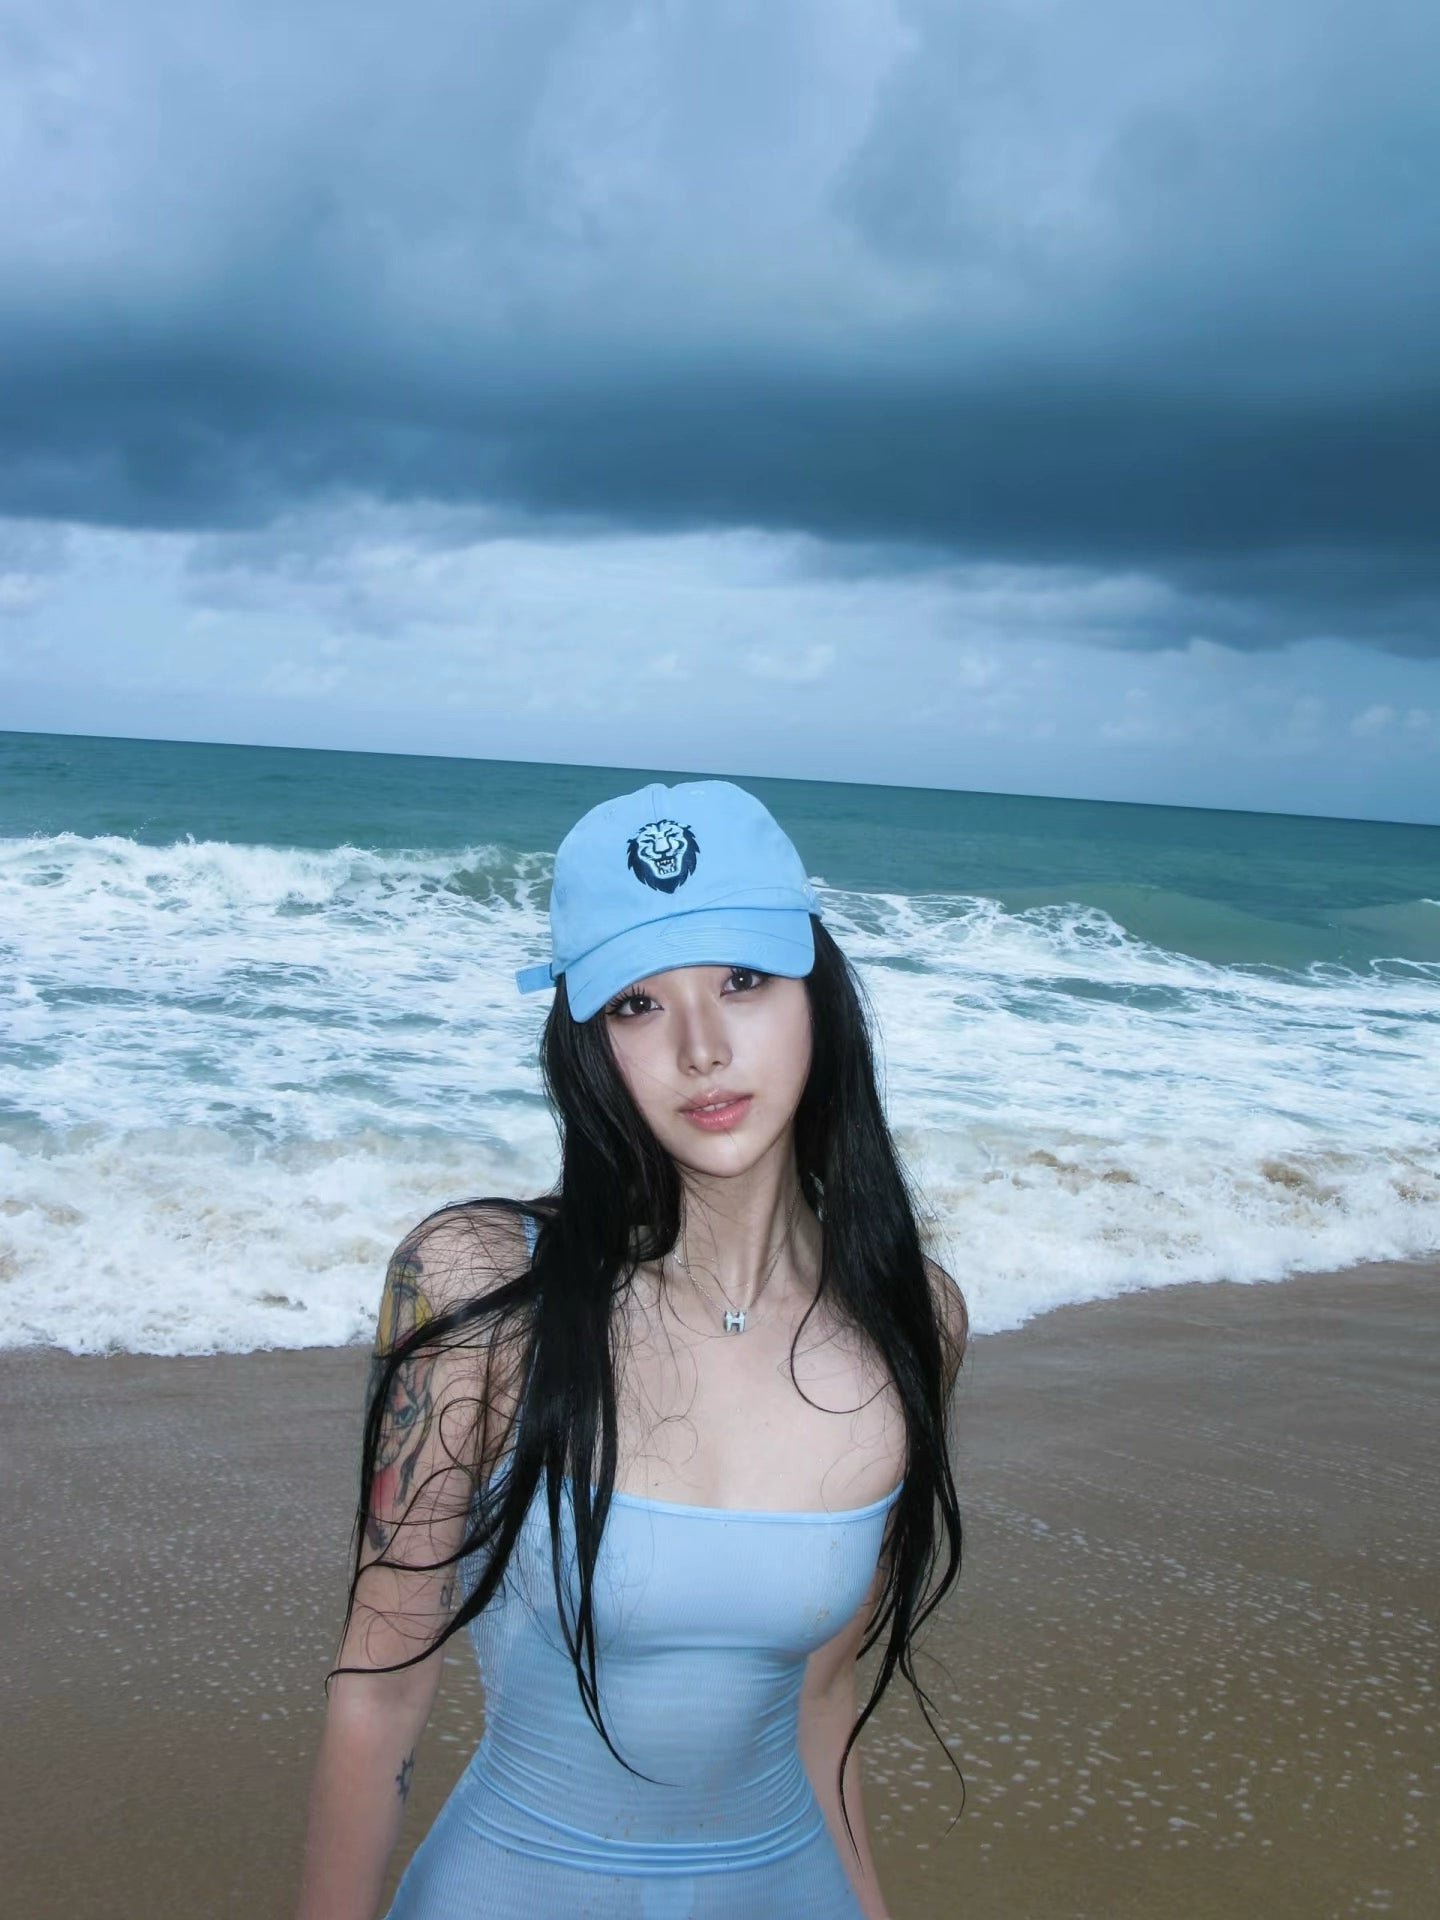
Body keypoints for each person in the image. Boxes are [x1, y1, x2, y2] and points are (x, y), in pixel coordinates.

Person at [295, 778, 966, 1920]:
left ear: (818, 987)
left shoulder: (914, 1319)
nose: (703, 1048)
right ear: (588, 1043)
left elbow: (824, 1705)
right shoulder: (478, 1288)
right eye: (639, 1004)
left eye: (743, 980)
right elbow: (379, 1693)